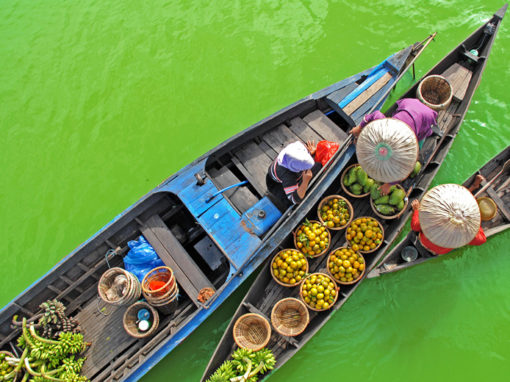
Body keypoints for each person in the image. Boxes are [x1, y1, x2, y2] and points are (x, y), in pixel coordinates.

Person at [351, 98, 438, 195]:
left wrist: (389, 184)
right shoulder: (382, 128)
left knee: (419, 139)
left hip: (424, 116)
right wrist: (359, 128)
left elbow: (406, 170)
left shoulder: (406, 152)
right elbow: (375, 114)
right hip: (408, 106)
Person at [410, 175, 487, 255]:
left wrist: (416, 210)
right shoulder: (464, 232)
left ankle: (473, 187)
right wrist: (473, 223)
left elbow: (415, 226)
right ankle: (474, 187)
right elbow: (482, 239)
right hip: (439, 251)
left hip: (424, 242)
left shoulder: (433, 218)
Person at [266, 140, 322, 206]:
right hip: (277, 185)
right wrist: (305, 181)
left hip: (287, 175)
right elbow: (294, 199)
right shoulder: (287, 176)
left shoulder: (296, 148)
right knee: (293, 203)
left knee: (318, 166)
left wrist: (310, 153)